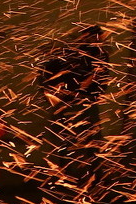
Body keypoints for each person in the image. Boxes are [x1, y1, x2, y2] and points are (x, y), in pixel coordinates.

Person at [37, 24, 107, 187]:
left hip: (83, 102)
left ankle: (91, 177)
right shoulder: (79, 53)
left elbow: (97, 79)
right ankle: (70, 175)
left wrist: (81, 88)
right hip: (73, 102)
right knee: (69, 138)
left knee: (86, 139)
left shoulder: (97, 54)